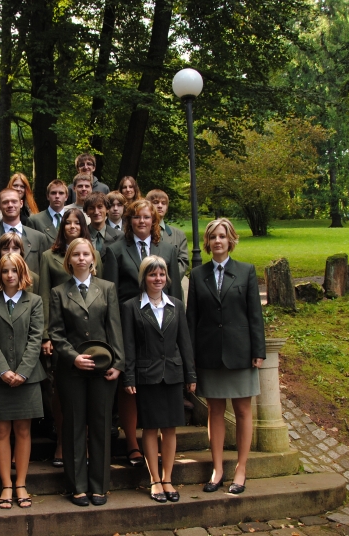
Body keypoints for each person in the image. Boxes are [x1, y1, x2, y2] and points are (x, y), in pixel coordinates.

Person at [102, 199, 184, 468]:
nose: (141, 221)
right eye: (136, 217)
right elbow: (111, 294)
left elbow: (175, 292)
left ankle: (162, 446)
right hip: (129, 326)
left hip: (161, 327)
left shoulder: (168, 250)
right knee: (131, 385)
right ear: (129, 221)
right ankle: (132, 443)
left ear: (154, 220)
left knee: (160, 385)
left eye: (147, 217)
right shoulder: (115, 249)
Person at [186, 218, 265, 495]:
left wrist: (258, 351)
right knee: (215, 411)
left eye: (222, 236)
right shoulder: (198, 275)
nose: (217, 241)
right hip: (209, 354)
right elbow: (192, 318)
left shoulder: (246, 271)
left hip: (240, 353)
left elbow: (255, 314)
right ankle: (217, 469)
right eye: (213, 237)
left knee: (243, 411)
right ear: (207, 243)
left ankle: (241, 469)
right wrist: (191, 358)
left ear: (231, 240)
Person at [48, 237, 124, 507]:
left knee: (101, 426)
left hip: (103, 369)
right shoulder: (58, 292)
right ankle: (77, 486)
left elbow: (114, 327)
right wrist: (73, 358)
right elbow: (56, 333)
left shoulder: (107, 288)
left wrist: (118, 364)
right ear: (69, 260)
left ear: (93, 259)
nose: (81, 258)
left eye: (86, 254)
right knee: (74, 427)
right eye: (76, 254)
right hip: (72, 370)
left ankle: (99, 486)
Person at [121, 256, 196, 503]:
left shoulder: (176, 305)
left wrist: (190, 374)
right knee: (151, 428)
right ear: (144, 278)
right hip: (147, 376)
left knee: (170, 428)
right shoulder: (131, 307)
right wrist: (129, 377)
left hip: (173, 374)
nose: (158, 279)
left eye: (162, 274)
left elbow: (184, 342)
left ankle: (168, 478)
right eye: (153, 274)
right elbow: (129, 345)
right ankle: (154, 479)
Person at [38, 208, 104, 468]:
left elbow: (102, 291)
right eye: (68, 222)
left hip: (90, 333)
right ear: (62, 226)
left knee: (89, 392)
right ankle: (62, 441)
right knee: (61, 391)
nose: (72, 226)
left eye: (77, 222)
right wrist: (46, 335)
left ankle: (84, 442)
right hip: (61, 333)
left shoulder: (94, 253)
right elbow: (45, 294)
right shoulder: (49, 256)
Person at [0, 254, 46, 509]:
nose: (10, 275)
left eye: (14, 271)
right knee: (0, 431)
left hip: (27, 379)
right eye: (5, 271)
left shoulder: (34, 301)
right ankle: (6, 484)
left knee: (23, 431)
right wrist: (3, 371)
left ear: (22, 274)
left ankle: (21, 483)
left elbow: (35, 338)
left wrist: (23, 372)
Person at [0, 188, 50, 275]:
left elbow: (45, 273)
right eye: (5, 202)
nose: (10, 205)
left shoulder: (39, 238)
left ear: (21, 203)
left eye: (14, 201)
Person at [146, 189, 189, 278]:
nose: (160, 206)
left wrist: (164, 279)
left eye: (163, 203)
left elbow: (183, 263)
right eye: (156, 202)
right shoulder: (140, 233)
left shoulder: (179, 235)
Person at [29, 179, 68, 243]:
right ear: (47, 196)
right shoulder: (35, 220)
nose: (57, 196)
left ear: (66, 197)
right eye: (53, 193)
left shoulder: (73, 219)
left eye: (61, 193)